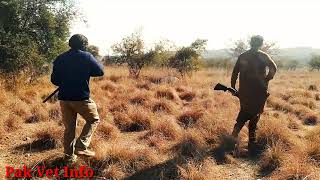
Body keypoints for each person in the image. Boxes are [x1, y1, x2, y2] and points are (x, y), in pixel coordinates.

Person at [51, 34, 104, 163]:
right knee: (93, 119)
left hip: (64, 99)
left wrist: (68, 78)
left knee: (69, 129)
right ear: (84, 45)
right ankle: (81, 146)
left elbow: (54, 80)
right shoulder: (86, 57)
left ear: (70, 44)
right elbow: (100, 72)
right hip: (81, 98)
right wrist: (84, 71)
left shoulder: (60, 58)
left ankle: (68, 158)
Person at [230, 35, 277, 155]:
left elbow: (235, 72)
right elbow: (273, 68)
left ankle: (232, 140)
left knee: (244, 112)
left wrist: (233, 87)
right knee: (255, 116)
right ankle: (251, 143)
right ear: (261, 43)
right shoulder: (263, 56)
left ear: (250, 43)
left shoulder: (243, 56)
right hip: (259, 91)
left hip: (245, 92)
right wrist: (267, 80)